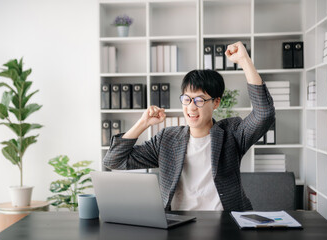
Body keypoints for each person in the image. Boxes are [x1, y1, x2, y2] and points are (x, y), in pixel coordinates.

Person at [104, 41, 275, 211]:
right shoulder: (167, 139)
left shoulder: (232, 133)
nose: (191, 107)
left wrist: (245, 61)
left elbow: (264, 113)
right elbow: (114, 161)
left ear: (216, 103)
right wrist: (143, 123)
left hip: (225, 222)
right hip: (178, 223)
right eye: (187, 99)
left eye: (199, 100)